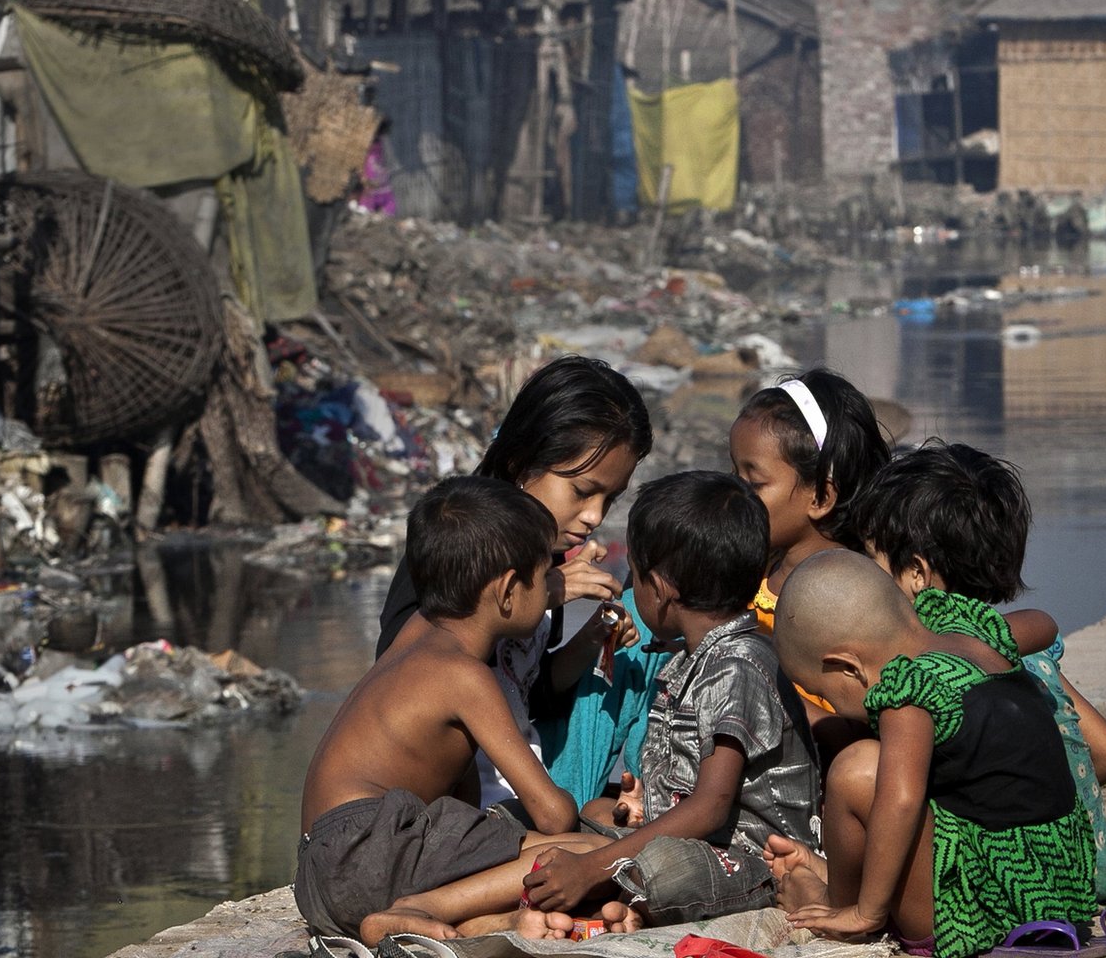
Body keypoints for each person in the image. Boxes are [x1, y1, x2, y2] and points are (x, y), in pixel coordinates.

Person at [295, 477, 630, 946]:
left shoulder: (416, 636)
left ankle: (473, 925)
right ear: (509, 590)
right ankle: (417, 910)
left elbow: (462, 803)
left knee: (551, 833)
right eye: (543, 578)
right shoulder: (464, 674)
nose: (551, 590)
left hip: (321, 872)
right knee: (597, 853)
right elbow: (553, 815)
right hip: (374, 854)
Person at [857, 440, 1106, 907]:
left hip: (1004, 883)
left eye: (873, 563)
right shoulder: (1031, 659)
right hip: (1076, 864)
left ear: (917, 574)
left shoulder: (924, 677)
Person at [518, 472, 820, 929]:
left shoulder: (736, 665)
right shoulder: (690, 659)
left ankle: (606, 903)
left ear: (659, 589)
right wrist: (644, 805)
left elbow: (710, 808)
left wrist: (593, 869)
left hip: (756, 862)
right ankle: (611, 903)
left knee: (662, 869)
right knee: (593, 814)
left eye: (634, 576)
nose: (631, 588)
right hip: (701, 841)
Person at [767, 550, 1097, 958]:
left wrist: (867, 914)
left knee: (858, 770)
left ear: (849, 667)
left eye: (822, 692)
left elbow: (903, 801)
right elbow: (1045, 624)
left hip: (983, 913)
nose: (829, 703)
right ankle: (834, 880)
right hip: (1061, 891)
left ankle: (840, 906)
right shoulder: (974, 633)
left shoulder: (907, 691)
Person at [374, 356, 653, 812]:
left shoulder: (546, 552)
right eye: (582, 492)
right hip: (446, 798)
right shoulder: (457, 536)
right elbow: (403, 672)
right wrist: (548, 589)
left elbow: (528, 691)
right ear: (524, 464)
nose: (595, 517)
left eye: (611, 498)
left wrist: (592, 639)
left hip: (510, 777)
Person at [729, 368, 889, 635]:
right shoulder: (748, 572)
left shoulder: (849, 598)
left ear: (821, 498)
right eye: (734, 473)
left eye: (755, 483)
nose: (733, 491)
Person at [357, 118, 397, 216]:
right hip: (372, 189)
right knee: (364, 213)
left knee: (388, 212)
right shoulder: (365, 147)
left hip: (383, 188)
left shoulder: (383, 145)